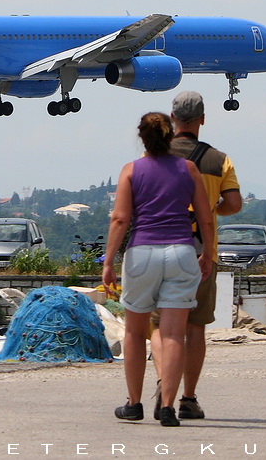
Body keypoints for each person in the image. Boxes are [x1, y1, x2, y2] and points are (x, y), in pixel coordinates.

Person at [102, 111, 215, 427]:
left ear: (143, 138)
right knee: (173, 334)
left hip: (142, 253)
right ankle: (167, 406)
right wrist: (205, 254)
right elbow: (205, 218)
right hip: (181, 252)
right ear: (170, 136)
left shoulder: (131, 170)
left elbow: (121, 219)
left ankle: (134, 403)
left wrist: (108, 261)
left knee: (136, 333)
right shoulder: (188, 169)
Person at [152, 91, 242, 421]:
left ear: (173, 118)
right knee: (195, 327)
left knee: (161, 326)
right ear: (202, 119)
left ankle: (165, 383)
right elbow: (233, 204)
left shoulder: (156, 155)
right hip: (203, 251)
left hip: (158, 247)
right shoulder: (218, 160)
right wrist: (210, 208)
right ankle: (187, 398)